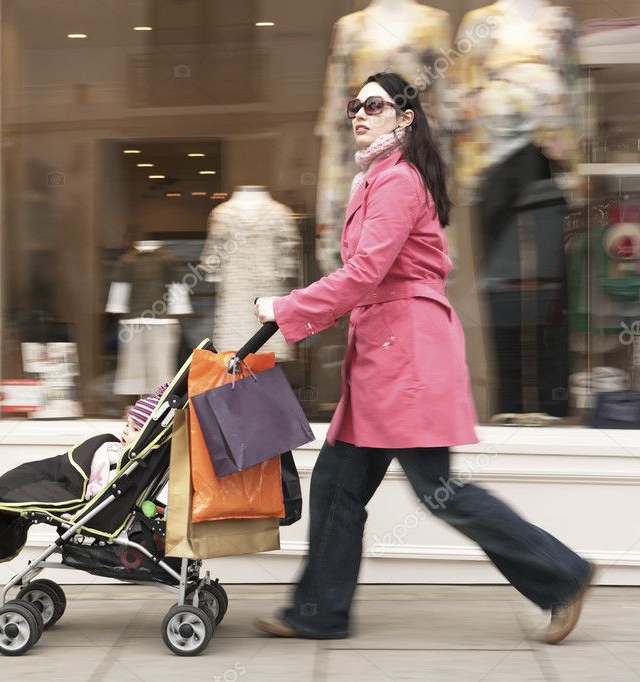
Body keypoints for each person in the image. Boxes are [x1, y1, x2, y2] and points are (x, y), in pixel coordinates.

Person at [250, 72, 594, 644]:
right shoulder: (376, 179)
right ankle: (318, 612)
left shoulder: (397, 182)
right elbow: (364, 280)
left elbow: (364, 273)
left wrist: (288, 309)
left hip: (406, 354)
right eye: (355, 105)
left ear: (405, 116)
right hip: (384, 353)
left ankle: (562, 575)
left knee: (438, 489)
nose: (359, 113)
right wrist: (305, 313)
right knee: (337, 486)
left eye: (374, 105)